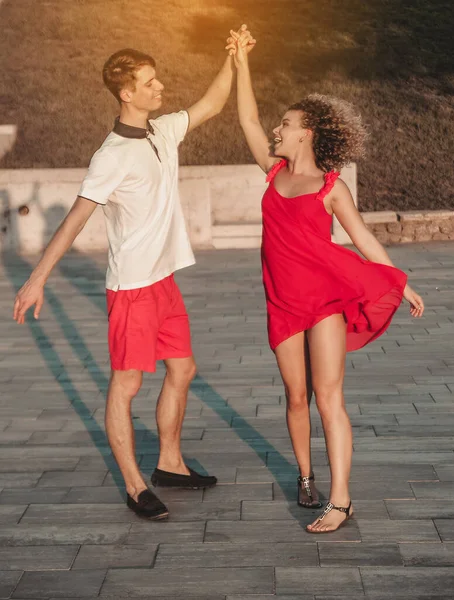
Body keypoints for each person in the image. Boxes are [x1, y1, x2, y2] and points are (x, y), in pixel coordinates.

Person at [13, 27, 255, 520]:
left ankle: (170, 463)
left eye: (156, 79)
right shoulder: (110, 157)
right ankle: (134, 485)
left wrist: (233, 57)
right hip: (132, 288)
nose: (159, 86)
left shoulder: (162, 130)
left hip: (164, 279)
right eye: (149, 82)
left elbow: (211, 103)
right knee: (126, 385)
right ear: (126, 92)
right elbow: (77, 217)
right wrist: (38, 277)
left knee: (182, 369)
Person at [227, 29, 424, 534]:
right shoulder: (272, 172)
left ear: (308, 132)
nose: (276, 128)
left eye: (287, 124)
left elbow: (362, 239)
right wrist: (240, 61)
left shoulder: (331, 186)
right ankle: (307, 476)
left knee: (329, 395)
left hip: (325, 302)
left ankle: (340, 500)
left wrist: (399, 284)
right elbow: (246, 118)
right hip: (283, 302)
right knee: (297, 397)